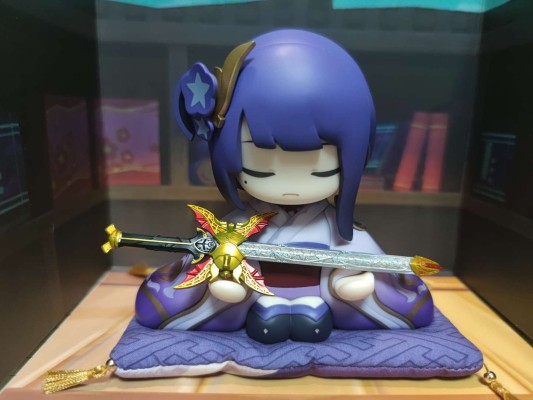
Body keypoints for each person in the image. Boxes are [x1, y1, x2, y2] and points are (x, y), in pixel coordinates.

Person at [135, 29, 434, 344]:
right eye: (262, 168)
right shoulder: (238, 227)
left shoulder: (339, 229)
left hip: (320, 295)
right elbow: (209, 263)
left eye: (319, 169)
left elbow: (366, 261)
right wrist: (229, 283)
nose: (291, 184)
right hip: (257, 295)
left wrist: (347, 282)